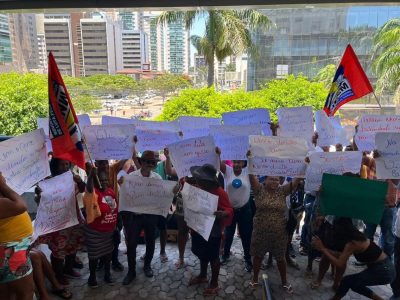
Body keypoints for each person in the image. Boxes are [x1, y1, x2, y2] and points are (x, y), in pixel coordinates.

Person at [248, 150, 302, 293]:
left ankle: (284, 282)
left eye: (277, 179)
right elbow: (251, 175)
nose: (274, 182)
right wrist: (250, 159)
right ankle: (254, 279)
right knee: (258, 257)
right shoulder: (259, 189)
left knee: (281, 258)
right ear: (265, 179)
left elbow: (296, 181)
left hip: (279, 233)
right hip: (260, 231)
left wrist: (305, 165)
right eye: (271, 179)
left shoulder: (282, 191)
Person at [312, 217, 395, 300]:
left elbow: (339, 263)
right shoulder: (354, 236)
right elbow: (340, 255)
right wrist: (324, 249)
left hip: (384, 271)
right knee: (354, 284)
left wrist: (323, 248)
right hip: (382, 268)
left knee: (347, 281)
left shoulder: (352, 243)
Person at [35, 158, 85, 285]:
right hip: (57, 223)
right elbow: (39, 200)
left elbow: (83, 189)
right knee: (58, 250)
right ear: (54, 166)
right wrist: (39, 193)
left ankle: (68, 269)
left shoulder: (72, 178)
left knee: (73, 245)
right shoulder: (47, 182)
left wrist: (80, 182)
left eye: (66, 164)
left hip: (73, 219)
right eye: (61, 164)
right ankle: (58, 275)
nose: (64, 167)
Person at [187, 164, 233, 296]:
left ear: (209, 180)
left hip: (213, 231)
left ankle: (214, 283)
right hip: (198, 228)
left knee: (213, 257)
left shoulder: (220, 192)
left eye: (200, 179)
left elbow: (229, 209)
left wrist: (223, 213)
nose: (198, 181)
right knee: (202, 253)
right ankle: (202, 275)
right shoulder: (197, 188)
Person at [120, 150, 162, 284]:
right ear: (141, 162)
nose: (150, 164)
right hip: (135, 216)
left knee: (150, 241)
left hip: (151, 215)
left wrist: (172, 191)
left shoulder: (158, 178)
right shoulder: (131, 177)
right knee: (131, 243)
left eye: (152, 162)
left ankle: (147, 266)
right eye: (147, 161)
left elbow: (163, 195)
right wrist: (122, 184)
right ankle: (131, 272)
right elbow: (125, 195)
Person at [0, 172, 35, 300]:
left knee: (7, 292)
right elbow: (20, 205)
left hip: (11, 249)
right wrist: (2, 184)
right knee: (25, 292)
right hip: (10, 250)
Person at [83, 164, 118, 288]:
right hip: (94, 231)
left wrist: (115, 225)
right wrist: (91, 176)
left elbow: (114, 209)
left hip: (108, 232)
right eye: (101, 180)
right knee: (94, 256)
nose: (103, 182)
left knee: (108, 253)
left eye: (106, 180)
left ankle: (107, 274)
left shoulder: (111, 192)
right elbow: (88, 189)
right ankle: (92, 277)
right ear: (97, 181)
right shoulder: (93, 193)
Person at [218, 154, 253, 273]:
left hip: (245, 210)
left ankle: (248, 259)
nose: (237, 164)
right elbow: (218, 163)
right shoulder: (227, 171)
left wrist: (251, 155)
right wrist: (218, 153)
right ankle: (225, 254)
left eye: (239, 162)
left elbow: (255, 162)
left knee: (246, 235)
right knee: (228, 234)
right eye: (235, 162)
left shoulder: (247, 171)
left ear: (243, 163)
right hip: (230, 210)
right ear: (232, 162)